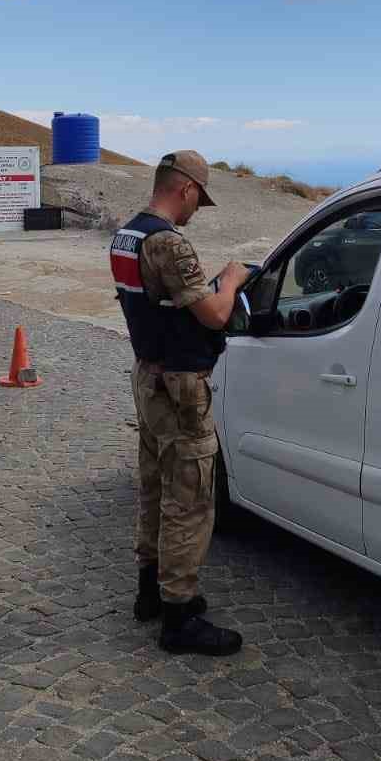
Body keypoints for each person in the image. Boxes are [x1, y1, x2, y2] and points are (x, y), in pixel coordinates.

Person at [110, 151, 250, 655]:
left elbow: (160, 302)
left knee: (153, 483)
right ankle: (179, 615)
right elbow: (213, 314)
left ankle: (150, 589)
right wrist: (231, 279)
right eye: (198, 200)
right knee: (189, 497)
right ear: (185, 189)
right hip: (180, 385)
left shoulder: (126, 234)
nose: (197, 211)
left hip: (148, 375)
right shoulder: (168, 242)